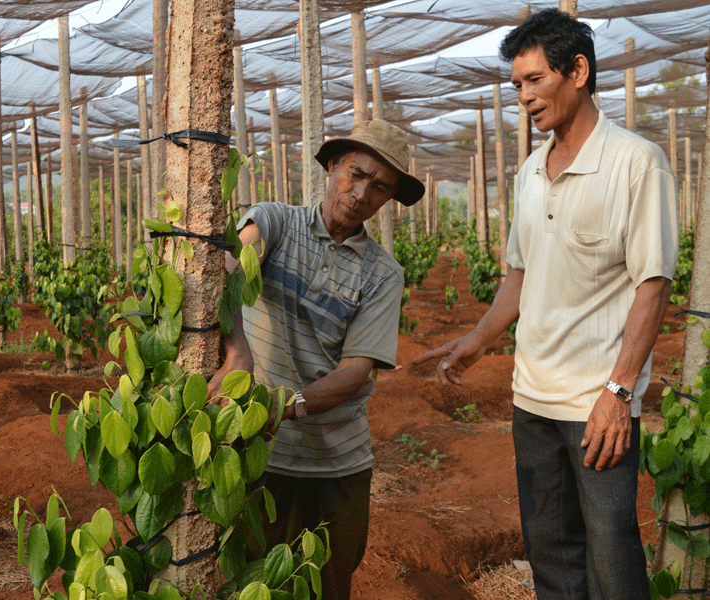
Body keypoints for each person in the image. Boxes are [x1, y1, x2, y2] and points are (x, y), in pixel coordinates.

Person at [414, 9, 678, 600]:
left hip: (596, 406)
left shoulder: (637, 162)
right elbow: (520, 274)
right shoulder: (531, 171)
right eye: (517, 85)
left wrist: (618, 393)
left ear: (577, 71)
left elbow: (653, 285)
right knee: (550, 553)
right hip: (531, 400)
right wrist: (476, 342)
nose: (524, 97)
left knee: (611, 555)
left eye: (535, 80)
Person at [207, 119, 425, 600]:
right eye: (356, 174)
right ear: (333, 167)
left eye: (380, 187)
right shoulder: (274, 222)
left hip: (336, 465)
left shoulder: (383, 274)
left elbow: (354, 373)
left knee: (326, 585)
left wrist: (284, 407)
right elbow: (222, 270)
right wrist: (238, 351)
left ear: (389, 198)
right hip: (259, 457)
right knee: (250, 582)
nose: (362, 193)